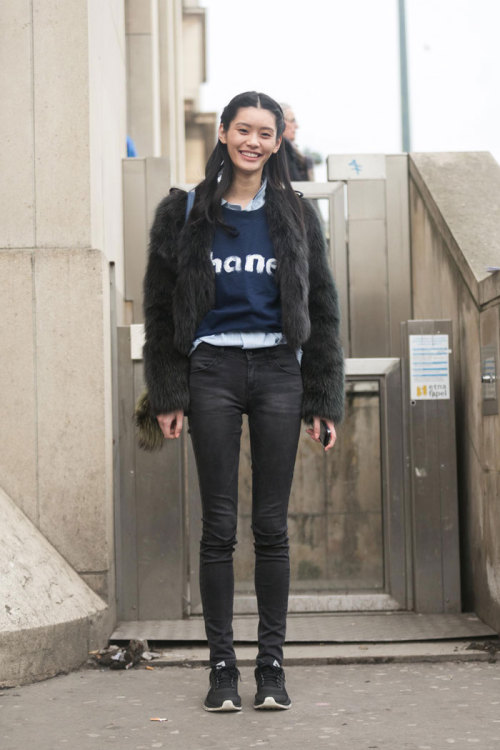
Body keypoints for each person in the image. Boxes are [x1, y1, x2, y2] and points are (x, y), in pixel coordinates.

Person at [142, 91, 344, 712]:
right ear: (225, 134)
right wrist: (168, 392)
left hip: (280, 368)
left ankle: (272, 666)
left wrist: (322, 397)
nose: (253, 141)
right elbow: (160, 304)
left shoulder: (295, 214)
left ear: (278, 141)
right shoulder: (185, 211)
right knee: (219, 527)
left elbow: (323, 307)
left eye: (266, 133)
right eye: (243, 130)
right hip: (212, 370)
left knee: (271, 528)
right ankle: (223, 668)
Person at [280, 103, 313, 181]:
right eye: (292, 121)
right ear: (280, 123)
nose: (297, 126)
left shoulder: (290, 151)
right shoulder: (282, 151)